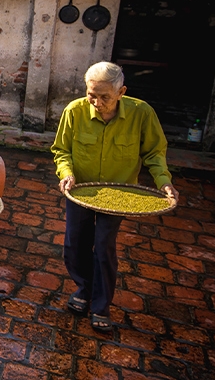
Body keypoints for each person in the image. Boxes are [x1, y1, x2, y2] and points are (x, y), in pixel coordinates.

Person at [52, 61, 179, 333]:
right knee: (74, 244)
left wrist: (164, 182)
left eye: (104, 97)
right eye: (91, 95)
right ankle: (84, 289)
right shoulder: (74, 111)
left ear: (121, 92)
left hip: (119, 192)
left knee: (104, 247)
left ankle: (100, 306)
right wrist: (67, 173)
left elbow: (154, 153)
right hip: (81, 191)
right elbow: (61, 150)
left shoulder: (142, 113)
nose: (96, 102)